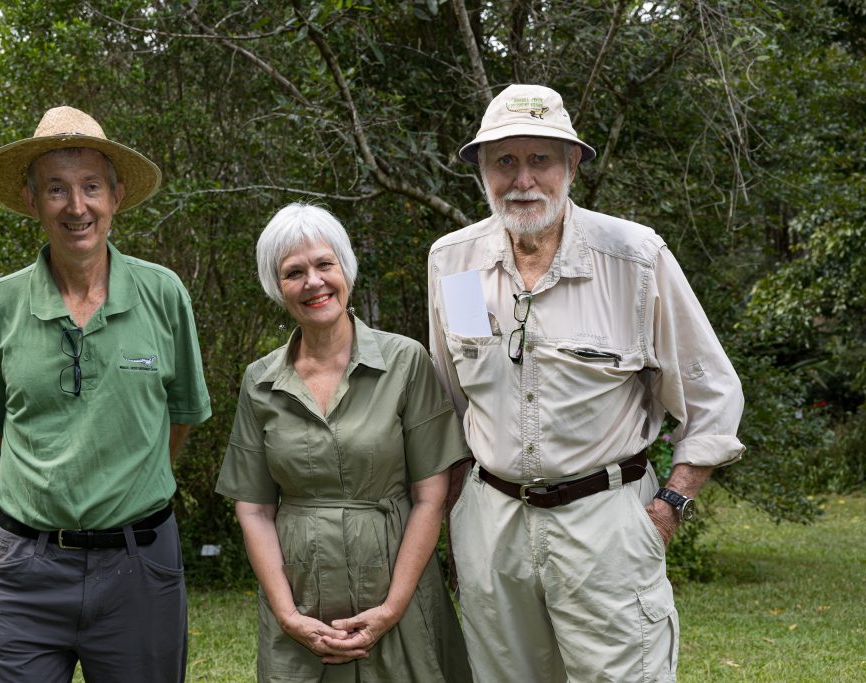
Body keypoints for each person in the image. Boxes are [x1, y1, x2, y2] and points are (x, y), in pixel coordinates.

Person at [428, 84, 746, 682]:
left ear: (572, 164)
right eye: (505, 161)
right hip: (490, 530)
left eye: (540, 159)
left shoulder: (634, 256)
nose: (523, 179)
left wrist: (671, 505)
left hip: (608, 524)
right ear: (482, 173)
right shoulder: (452, 262)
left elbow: (712, 396)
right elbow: (446, 403)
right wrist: (452, 519)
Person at [0, 106, 211, 682]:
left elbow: (179, 418)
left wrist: (124, 492)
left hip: (140, 566)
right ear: (31, 201)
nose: (77, 207)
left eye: (91, 187)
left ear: (116, 196)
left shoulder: (163, 294)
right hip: (20, 572)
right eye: (56, 189)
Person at [215, 203, 473, 682]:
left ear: (346, 269)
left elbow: (430, 496)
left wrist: (393, 608)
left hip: (397, 588)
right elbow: (253, 509)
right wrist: (288, 617)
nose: (313, 281)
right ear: (277, 287)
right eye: (294, 272)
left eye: (324, 264)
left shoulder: (405, 362)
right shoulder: (261, 382)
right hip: (300, 596)